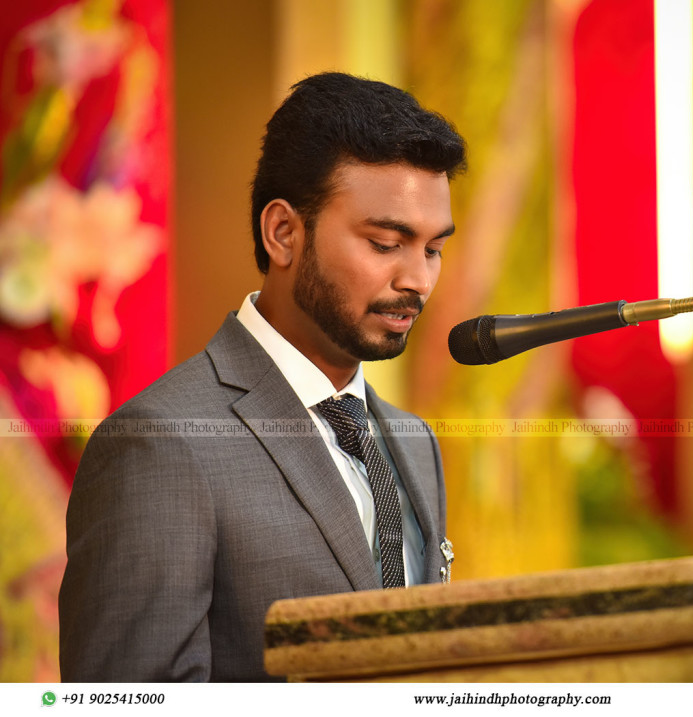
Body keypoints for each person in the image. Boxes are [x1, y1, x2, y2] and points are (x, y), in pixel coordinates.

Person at [58, 72, 467, 682]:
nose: (419, 280)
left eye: (432, 249)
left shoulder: (413, 440)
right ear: (283, 233)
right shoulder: (162, 444)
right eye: (386, 243)